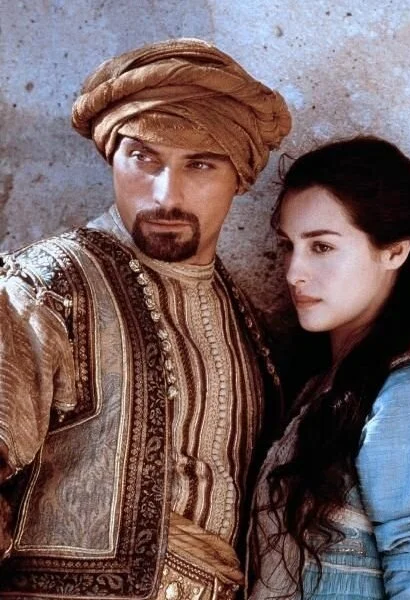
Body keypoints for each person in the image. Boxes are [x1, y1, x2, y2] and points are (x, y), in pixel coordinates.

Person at [0, 38, 291, 600]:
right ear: (114, 157)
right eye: (143, 158)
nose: (166, 193)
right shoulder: (50, 284)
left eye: (200, 165)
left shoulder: (247, 322)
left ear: (240, 176)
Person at [248, 136, 410, 600]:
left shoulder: (408, 391)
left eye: (321, 247)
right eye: (288, 245)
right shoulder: (321, 388)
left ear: (394, 252)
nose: (293, 272)